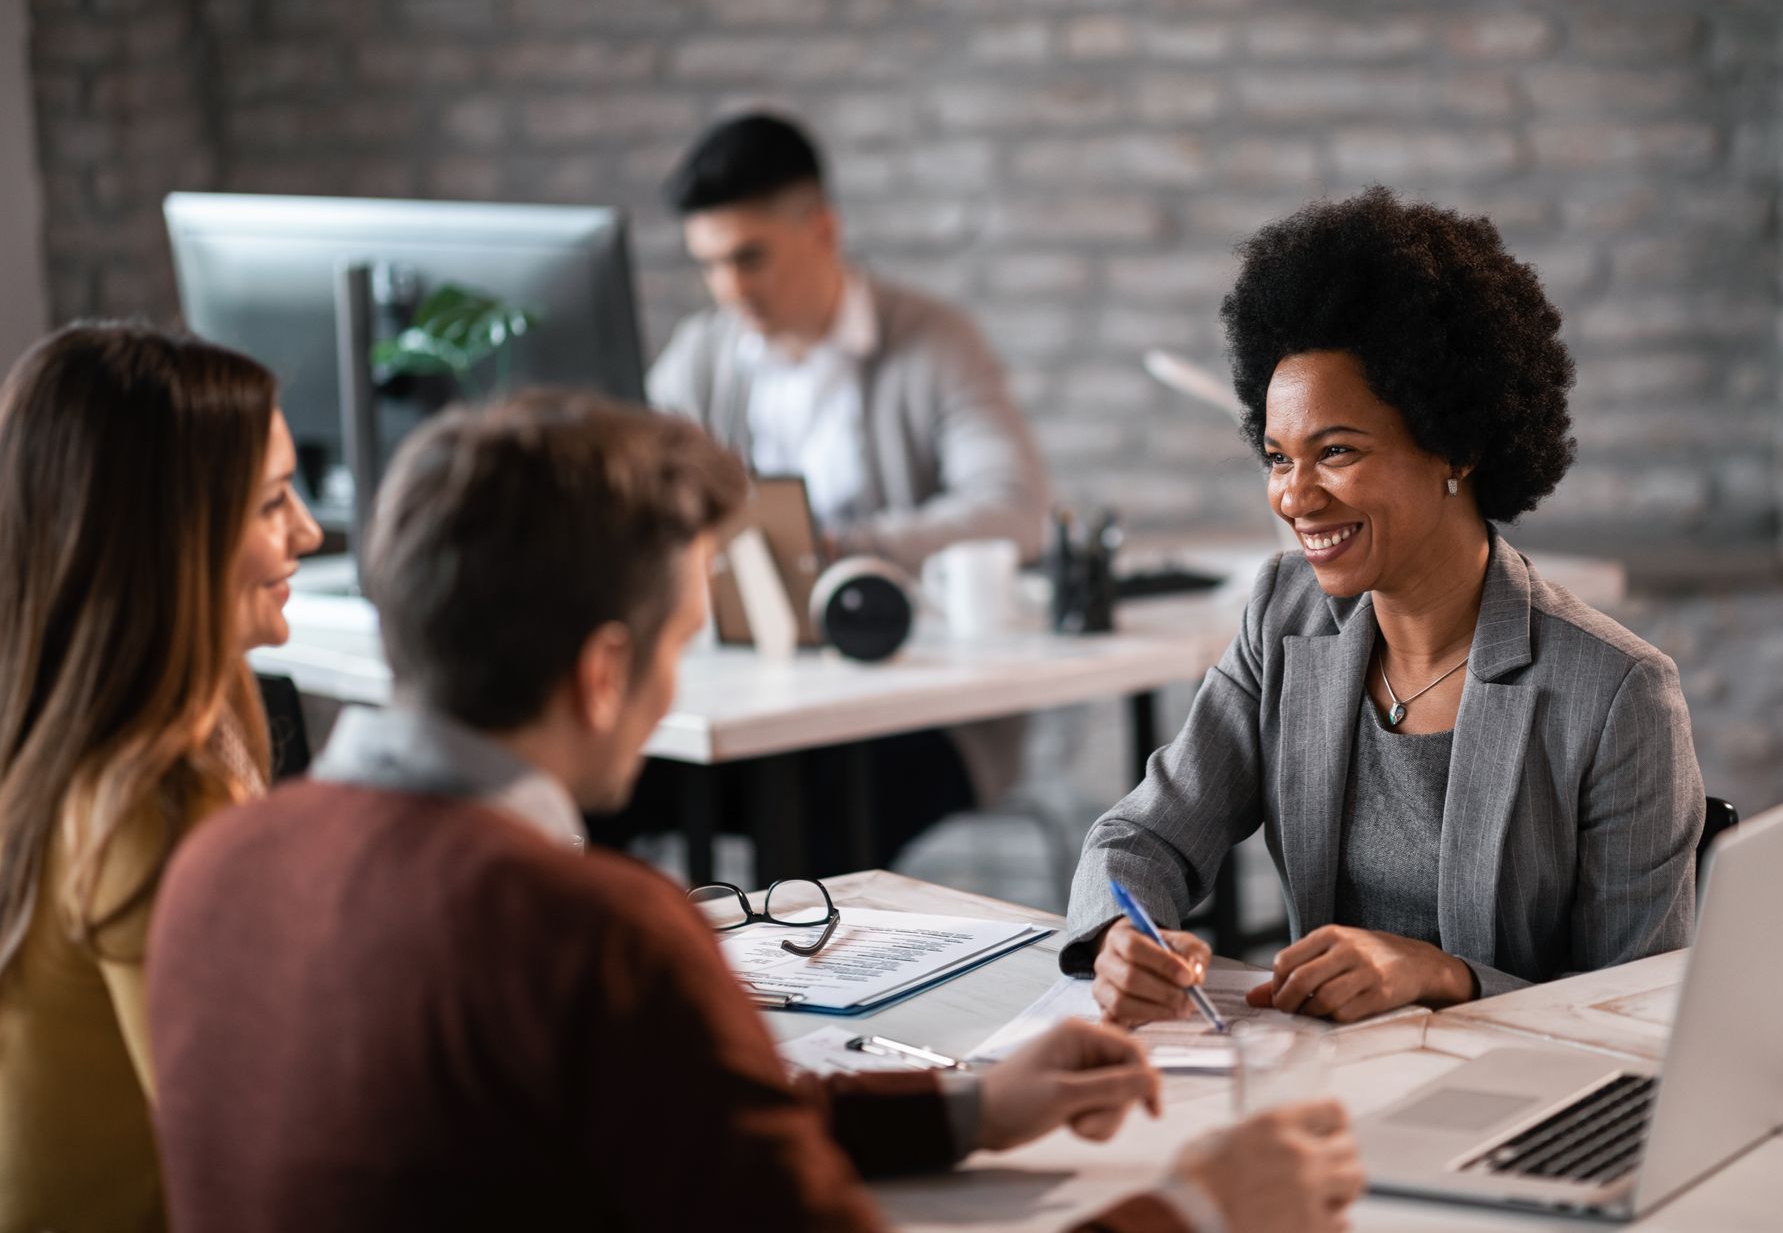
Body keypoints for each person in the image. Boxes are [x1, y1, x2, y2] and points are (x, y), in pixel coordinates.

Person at [145, 393, 1364, 1233]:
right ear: (603, 671)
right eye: (682, 636)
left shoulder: (221, 861)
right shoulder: (592, 933)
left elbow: (681, 1122)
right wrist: (1202, 1207)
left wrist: (970, 1104)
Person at [1064, 187, 1706, 1026]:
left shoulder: (1618, 694)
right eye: (1276, 457)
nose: (1295, 497)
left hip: (1513, 1108)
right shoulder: (1284, 618)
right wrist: (1123, 936)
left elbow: (1642, 1010)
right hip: (1321, 1085)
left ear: (1459, 445)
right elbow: (1144, 834)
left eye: (1335, 452)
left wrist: (1444, 977)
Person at [639, 111, 1048, 865]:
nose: (731, 289)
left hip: (918, 709)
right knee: (599, 785)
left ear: (822, 229)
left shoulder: (934, 341)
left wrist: (835, 550)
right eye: (712, 263)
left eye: (750, 258)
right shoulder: (698, 359)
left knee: (812, 817)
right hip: (750, 689)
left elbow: (1015, 512)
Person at [0, 322, 322, 1233]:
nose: (308, 528)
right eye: (270, 504)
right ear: (168, 537)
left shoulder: (80, 750)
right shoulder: (153, 802)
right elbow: (252, 1170)